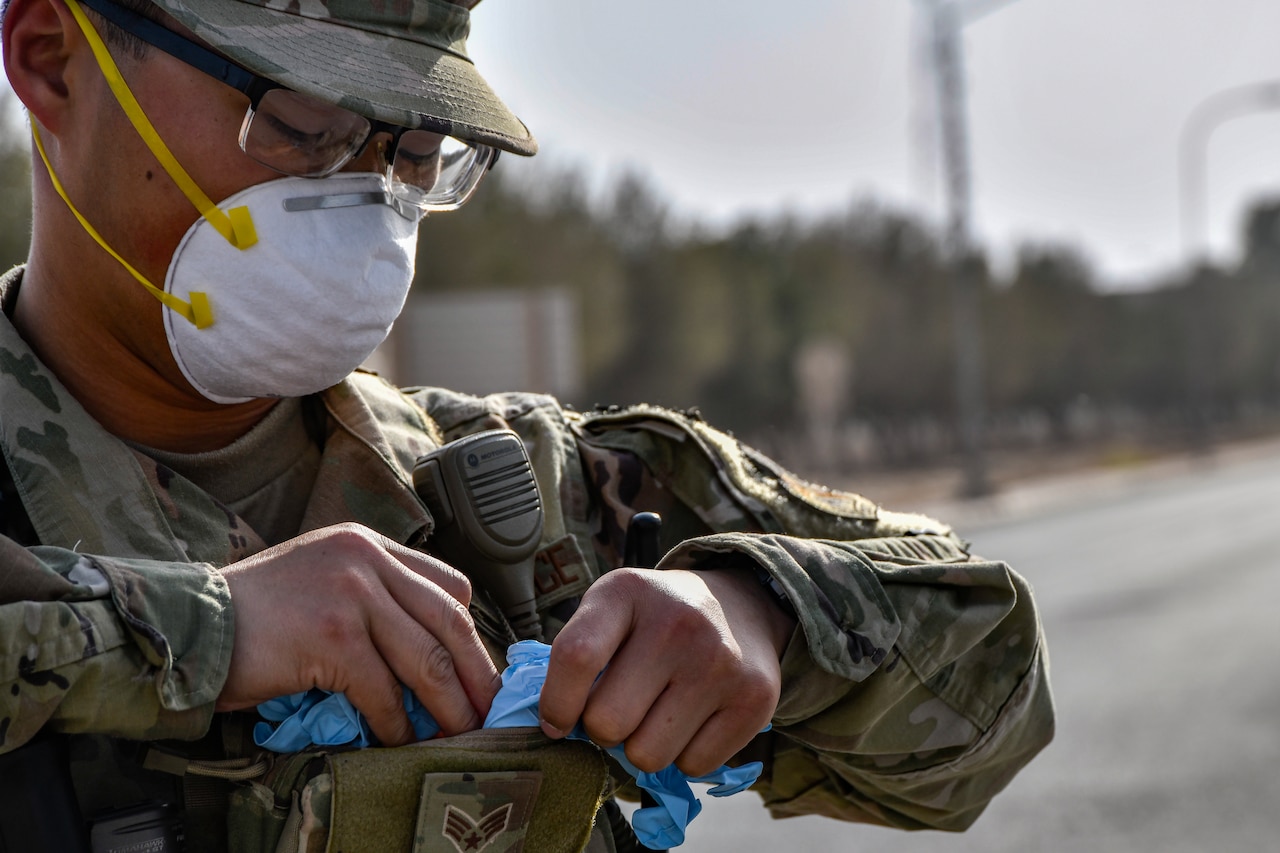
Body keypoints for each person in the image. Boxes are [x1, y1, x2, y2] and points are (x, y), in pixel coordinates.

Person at [0, 0, 1054, 849]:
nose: (364, 201)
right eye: (302, 124)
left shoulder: (523, 492)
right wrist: (200, 635)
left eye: (412, 151)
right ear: (53, 59)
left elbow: (989, 690)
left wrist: (766, 611)